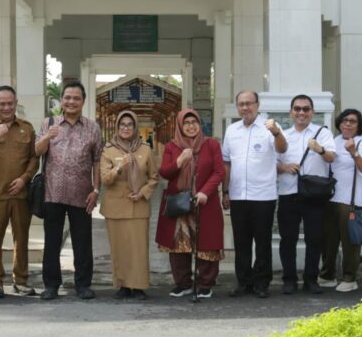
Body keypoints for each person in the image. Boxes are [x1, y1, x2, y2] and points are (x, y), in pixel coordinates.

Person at [34, 81, 103, 300]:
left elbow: (97, 161)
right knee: (52, 241)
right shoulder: (49, 123)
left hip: (82, 194)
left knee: (83, 243)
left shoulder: (93, 127)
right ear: (61, 100)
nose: (71, 102)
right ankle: (51, 285)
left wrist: (96, 189)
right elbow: (37, 152)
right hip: (52, 192)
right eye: (67, 97)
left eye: (76, 98)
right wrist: (47, 136)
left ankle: (83, 284)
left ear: (83, 101)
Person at [0, 85, 40, 297]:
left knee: (21, 239)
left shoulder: (27, 128)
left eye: (10, 103)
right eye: (1, 103)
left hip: (21, 194)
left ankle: (20, 280)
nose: (6, 107)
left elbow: (34, 158)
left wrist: (24, 179)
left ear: (15, 104)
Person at [222, 90, 287, 298]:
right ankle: (243, 282)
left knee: (262, 241)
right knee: (241, 242)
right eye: (241, 104)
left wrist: (276, 132)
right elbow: (226, 163)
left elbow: (283, 149)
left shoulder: (269, 127)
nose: (245, 108)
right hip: (238, 195)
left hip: (263, 196)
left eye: (249, 103)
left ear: (258, 105)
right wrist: (225, 191)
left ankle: (262, 282)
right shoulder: (232, 130)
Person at [157, 108, 225, 299]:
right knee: (179, 245)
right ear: (179, 125)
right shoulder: (172, 146)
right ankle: (183, 283)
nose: (190, 126)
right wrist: (179, 161)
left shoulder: (211, 144)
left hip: (205, 202)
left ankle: (205, 284)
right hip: (180, 203)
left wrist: (205, 192)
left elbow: (219, 171)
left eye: (194, 122)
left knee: (207, 244)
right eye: (186, 123)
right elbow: (164, 172)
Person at [276, 94, 336, 295]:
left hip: (314, 194)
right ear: (291, 112)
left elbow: (331, 157)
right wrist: (283, 167)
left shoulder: (323, 133)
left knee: (314, 238)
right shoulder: (282, 136)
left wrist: (319, 149)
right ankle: (289, 279)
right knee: (288, 238)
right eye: (297, 109)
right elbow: (271, 164)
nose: (301, 112)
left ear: (313, 112)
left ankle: (311, 279)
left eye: (306, 109)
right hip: (289, 192)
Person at [99, 111, 160, 299]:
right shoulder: (108, 150)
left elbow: (154, 177)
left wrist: (142, 193)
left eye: (129, 125)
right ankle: (123, 285)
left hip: (138, 206)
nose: (126, 128)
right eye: (122, 125)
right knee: (120, 249)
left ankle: (139, 286)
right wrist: (120, 167)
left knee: (138, 250)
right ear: (117, 128)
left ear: (135, 128)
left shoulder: (145, 149)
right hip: (115, 207)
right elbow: (105, 179)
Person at [322, 109, 362, 293]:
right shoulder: (334, 141)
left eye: (353, 121)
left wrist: (353, 153)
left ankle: (350, 277)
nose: (348, 124)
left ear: (359, 126)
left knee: (349, 242)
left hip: (351, 200)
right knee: (329, 240)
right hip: (332, 198)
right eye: (345, 120)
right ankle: (327, 275)